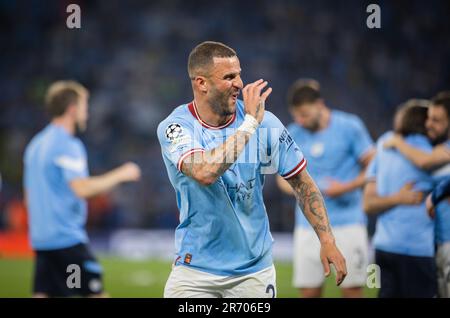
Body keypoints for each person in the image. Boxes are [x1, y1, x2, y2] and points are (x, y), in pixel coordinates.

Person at [156, 41, 347, 298]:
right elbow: (204, 172)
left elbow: (302, 183)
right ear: (202, 83)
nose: (239, 83)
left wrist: (327, 241)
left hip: (253, 272)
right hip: (195, 271)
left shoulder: (265, 122)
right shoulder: (177, 127)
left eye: (239, 74)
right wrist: (249, 125)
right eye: (229, 77)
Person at [23, 80, 141, 297]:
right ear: (72, 109)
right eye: (85, 106)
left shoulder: (35, 145)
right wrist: (121, 174)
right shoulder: (68, 145)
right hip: (66, 241)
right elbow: (82, 189)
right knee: (93, 293)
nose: (87, 113)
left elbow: (29, 197)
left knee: (44, 294)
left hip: (42, 239)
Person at [276, 79, 374, 298]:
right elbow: (281, 178)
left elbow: (373, 166)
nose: (300, 121)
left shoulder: (350, 126)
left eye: (305, 115)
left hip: (348, 221)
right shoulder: (293, 132)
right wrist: (302, 191)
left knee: (352, 290)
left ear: (320, 105)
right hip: (307, 225)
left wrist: (346, 187)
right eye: (297, 116)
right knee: (309, 292)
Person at [363, 101, 436, 298]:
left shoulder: (384, 144)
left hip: (383, 248)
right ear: (426, 123)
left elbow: (367, 205)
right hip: (419, 249)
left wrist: (394, 198)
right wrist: (400, 198)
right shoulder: (434, 153)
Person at [384, 92, 450, 297]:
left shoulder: (443, 150)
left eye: (436, 120)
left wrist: (398, 142)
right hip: (434, 244)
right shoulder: (434, 146)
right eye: (428, 118)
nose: (428, 124)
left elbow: (424, 162)